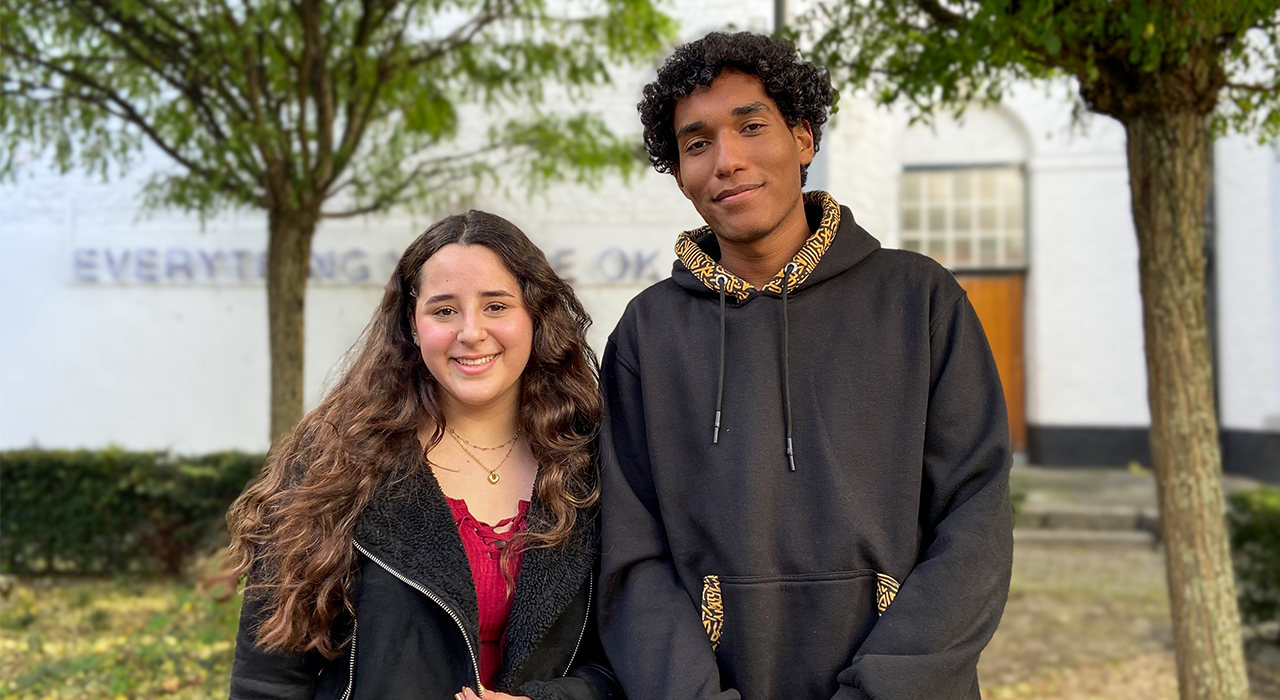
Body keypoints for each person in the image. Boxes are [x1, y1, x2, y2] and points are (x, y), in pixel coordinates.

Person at [597, 32, 1014, 700]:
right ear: (679, 174)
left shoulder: (920, 302)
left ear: (803, 139)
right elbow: (630, 554)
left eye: (752, 126)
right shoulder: (648, 334)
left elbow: (975, 526)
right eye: (697, 143)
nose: (726, 161)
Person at [225, 210, 618, 700]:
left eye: (496, 306)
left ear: (535, 317)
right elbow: (268, 678)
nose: (471, 332)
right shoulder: (333, 464)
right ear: (412, 325)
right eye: (444, 310)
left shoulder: (594, 463)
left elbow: (622, 662)